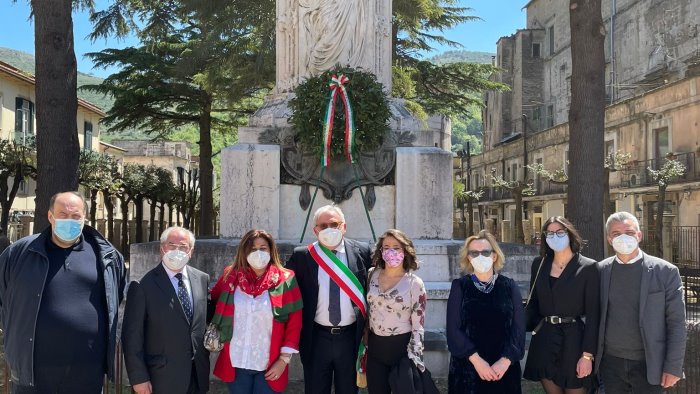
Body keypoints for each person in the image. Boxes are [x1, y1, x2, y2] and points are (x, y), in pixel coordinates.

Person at [0, 191, 127, 393]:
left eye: (76, 216)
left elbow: (116, 300)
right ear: (50, 217)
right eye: (62, 215)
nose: (69, 220)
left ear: (84, 218)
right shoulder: (19, 253)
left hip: (88, 375)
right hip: (33, 376)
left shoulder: (108, 258)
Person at [285, 204, 372, 394]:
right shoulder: (302, 256)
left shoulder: (362, 251)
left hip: (350, 338)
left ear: (344, 227)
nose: (329, 229)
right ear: (315, 230)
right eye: (323, 226)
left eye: (334, 224)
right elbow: (282, 286)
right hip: (316, 338)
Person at [596, 211, 686, 392]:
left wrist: (673, 366)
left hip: (650, 364)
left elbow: (677, 323)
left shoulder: (666, 272)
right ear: (609, 239)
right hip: (610, 364)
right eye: (616, 234)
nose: (623, 237)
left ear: (639, 235)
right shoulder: (600, 271)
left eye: (629, 233)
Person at [210, 229, 303, 394]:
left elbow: (294, 323)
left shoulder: (286, 279)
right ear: (244, 251)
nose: (258, 252)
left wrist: (283, 360)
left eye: (263, 248)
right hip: (236, 361)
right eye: (253, 249)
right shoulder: (230, 275)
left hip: (269, 363)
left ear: (271, 250)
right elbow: (213, 302)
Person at [121, 226, 210, 394]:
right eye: (171, 245)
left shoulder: (201, 279)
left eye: (183, 246)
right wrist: (139, 378)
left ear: (191, 251)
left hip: (196, 376)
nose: (177, 250)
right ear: (162, 249)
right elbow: (132, 337)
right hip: (160, 378)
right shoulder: (142, 286)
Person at [523, 216, 600, 394]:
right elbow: (533, 302)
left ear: (570, 234)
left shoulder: (589, 268)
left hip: (575, 341)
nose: (554, 236)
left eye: (559, 232)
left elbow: (594, 314)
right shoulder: (539, 264)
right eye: (549, 233)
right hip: (545, 339)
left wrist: (587, 355)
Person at [446, 230, 525, 394]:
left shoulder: (509, 286)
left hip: (503, 370)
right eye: (474, 253)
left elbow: (518, 328)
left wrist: (505, 361)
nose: (480, 256)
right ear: (468, 257)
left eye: (485, 252)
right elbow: (453, 330)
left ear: (494, 256)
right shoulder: (460, 286)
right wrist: (477, 362)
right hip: (467, 370)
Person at [365, 229, 427, 394]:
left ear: (405, 251)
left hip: (402, 351)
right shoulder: (371, 275)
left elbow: (418, 324)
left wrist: (415, 358)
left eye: (396, 247)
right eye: (386, 247)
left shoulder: (415, 283)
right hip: (375, 350)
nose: (390, 251)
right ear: (380, 251)